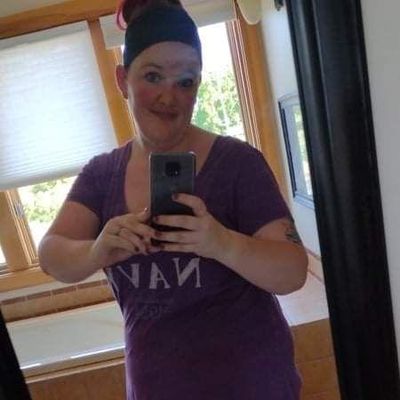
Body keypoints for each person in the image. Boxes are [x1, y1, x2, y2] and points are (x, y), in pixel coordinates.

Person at [38, 0, 308, 398]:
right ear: (122, 80)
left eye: (186, 81)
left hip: (253, 386)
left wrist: (220, 242)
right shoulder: (101, 175)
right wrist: (99, 250)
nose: (170, 96)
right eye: (153, 76)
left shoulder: (238, 163)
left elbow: (293, 271)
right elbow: (51, 255)